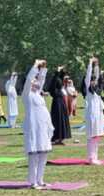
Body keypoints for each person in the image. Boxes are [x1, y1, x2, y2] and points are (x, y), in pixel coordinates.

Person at [22, 60, 54, 189]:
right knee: (34, 155)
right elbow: (30, 79)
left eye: (37, 81)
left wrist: (43, 68)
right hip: (33, 128)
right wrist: (35, 65)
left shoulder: (39, 95)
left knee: (43, 154)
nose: (37, 82)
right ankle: (33, 181)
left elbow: (42, 79)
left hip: (43, 128)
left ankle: (40, 180)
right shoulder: (27, 95)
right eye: (34, 81)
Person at [85, 57, 104, 165]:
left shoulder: (97, 92)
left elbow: (97, 77)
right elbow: (88, 76)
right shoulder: (89, 90)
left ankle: (95, 157)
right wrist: (90, 63)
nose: (93, 82)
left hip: (98, 116)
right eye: (92, 81)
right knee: (91, 137)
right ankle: (91, 158)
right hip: (91, 116)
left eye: (94, 81)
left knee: (96, 137)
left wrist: (97, 65)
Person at [48, 66, 71, 145]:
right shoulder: (54, 79)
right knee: (57, 119)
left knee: (62, 119)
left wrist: (63, 70)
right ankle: (56, 138)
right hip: (57, 101)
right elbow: (52, 87)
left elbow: (61, 77)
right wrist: (57, 71)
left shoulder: (59, 79)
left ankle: (60, 138)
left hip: (61, 101)